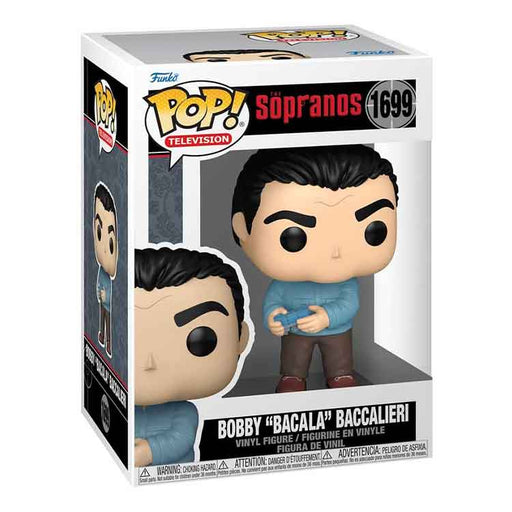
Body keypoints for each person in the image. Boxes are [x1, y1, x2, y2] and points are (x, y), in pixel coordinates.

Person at [231, 145, 398, 392]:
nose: (335, 252)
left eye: (374, 231)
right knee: (294, 358)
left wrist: (327, 317)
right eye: (293, 237)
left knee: (339, 357)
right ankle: (292, 377)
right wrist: (273, 318)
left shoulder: (346, 283)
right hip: (297, 331)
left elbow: (350, 304)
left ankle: (340, 375)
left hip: (337, 330)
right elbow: (272, 303)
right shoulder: (283, 285)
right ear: (243, 228)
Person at [134, 247, 250, 466]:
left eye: (201, 340)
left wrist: (150, 452)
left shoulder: (184, 412)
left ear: (240, 339)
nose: (150, 363)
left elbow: (181, 439)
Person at [93, 183, 118, 358]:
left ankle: (108, 341)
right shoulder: (102, 273)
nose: (103, 249)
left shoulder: (108, 277)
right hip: (103, 302)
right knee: (102, 317)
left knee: (108, 319)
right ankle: (102, 335)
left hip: (107, 303)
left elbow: (108, 291)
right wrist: (99, 295)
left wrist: (105, 297)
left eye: (110, 244)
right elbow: (98, 284)